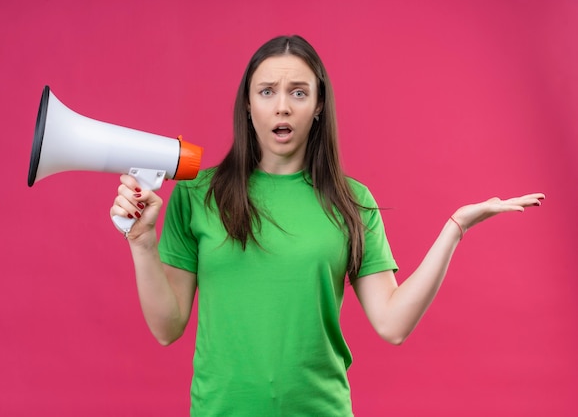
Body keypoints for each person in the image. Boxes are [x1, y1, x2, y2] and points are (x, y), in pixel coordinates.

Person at [110, 35, 544, 416]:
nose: (282, 105)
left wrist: (455, 228)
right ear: (248, 103)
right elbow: (167, 329)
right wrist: (142, 241)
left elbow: (393, 324)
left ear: (318, 106)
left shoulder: (352, 202)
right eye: (267, 91)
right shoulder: (196, 194)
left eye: (299, 93)